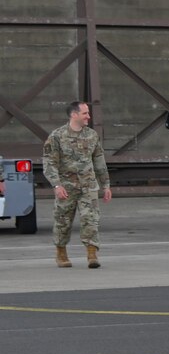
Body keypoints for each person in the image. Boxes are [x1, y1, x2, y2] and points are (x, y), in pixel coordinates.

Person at [43, 100, 111, 268]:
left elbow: (99, 160)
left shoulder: (92, 135)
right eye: (85, 113)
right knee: (63, 220)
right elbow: (49, 163)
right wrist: (57, 185)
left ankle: (92, 254)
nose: (88, 116)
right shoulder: (57, 136)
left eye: (88, 113)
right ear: (74, 114)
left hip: (88, 186)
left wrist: (106, 185)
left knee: (91, 219)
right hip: (66, 187)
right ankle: (61, 253)